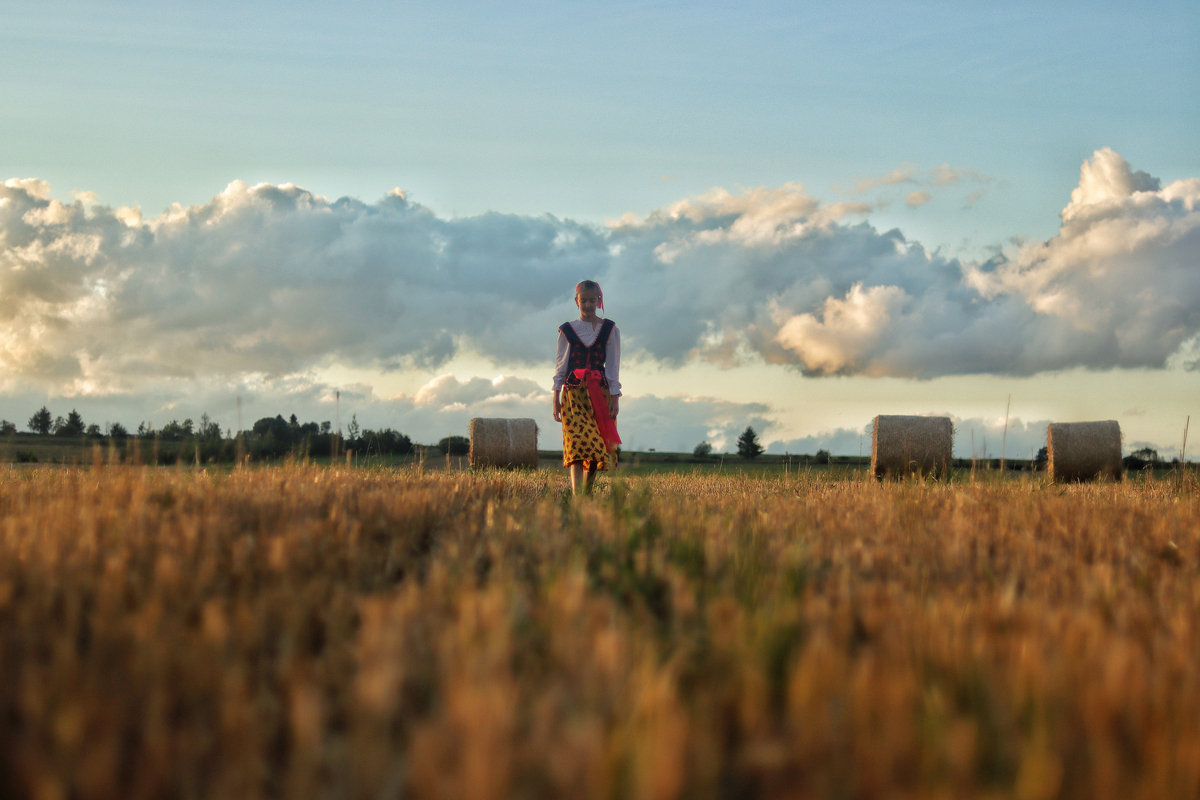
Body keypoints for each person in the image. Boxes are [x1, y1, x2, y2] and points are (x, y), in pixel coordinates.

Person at [552, 280, 621, 495]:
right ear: (576, 301)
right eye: (584, 301)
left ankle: (586, 493)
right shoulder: (567, 330)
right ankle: (576, 496)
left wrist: (615, 397)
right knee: (577, 444)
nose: (588, 305)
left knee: (595, 446)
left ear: (599, 301)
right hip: (573, 394)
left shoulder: (610, 329)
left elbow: (613, 367)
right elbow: (560, 367)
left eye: (592, 300)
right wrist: (555, 399)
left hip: (599, 394)